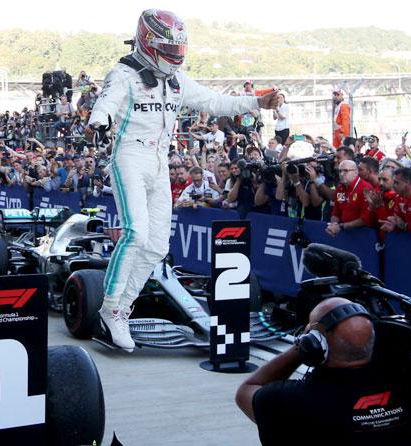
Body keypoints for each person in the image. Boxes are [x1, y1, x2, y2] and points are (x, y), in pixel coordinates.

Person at [89, 9, 279, 351]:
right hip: (129, 156)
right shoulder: (123, 75)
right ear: (148, 43)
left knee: (158, 246)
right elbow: (104, 105)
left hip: (161, 160)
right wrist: (100, 123)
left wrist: (258, 101)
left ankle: (120, 309)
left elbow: (217, 101)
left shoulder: (177, 81)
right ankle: (108, 308)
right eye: (168, 50)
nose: (175, 57)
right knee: (135, 233)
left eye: (179, 50)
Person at [236, 297, 411, 445]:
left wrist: (300, 348)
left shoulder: (288, 400)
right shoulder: (405, 385)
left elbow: (248, 389)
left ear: (314, 343)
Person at [326, 160, 372, 237]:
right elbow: (336, 212)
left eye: (345, 171)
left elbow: (365, 219)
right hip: (345, 232)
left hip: (362, 234)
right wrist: (334, 224)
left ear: (355, 172)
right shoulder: (340, 189)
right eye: (340, 171)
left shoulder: (365, 188)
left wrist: (342, 226)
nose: (341, 174)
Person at [380, 167, 411, 233]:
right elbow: (396, 219)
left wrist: (406, 225)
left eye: (396, 183)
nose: (393, 186)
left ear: (407, 183)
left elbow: (403, 224)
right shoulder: (399, 197)